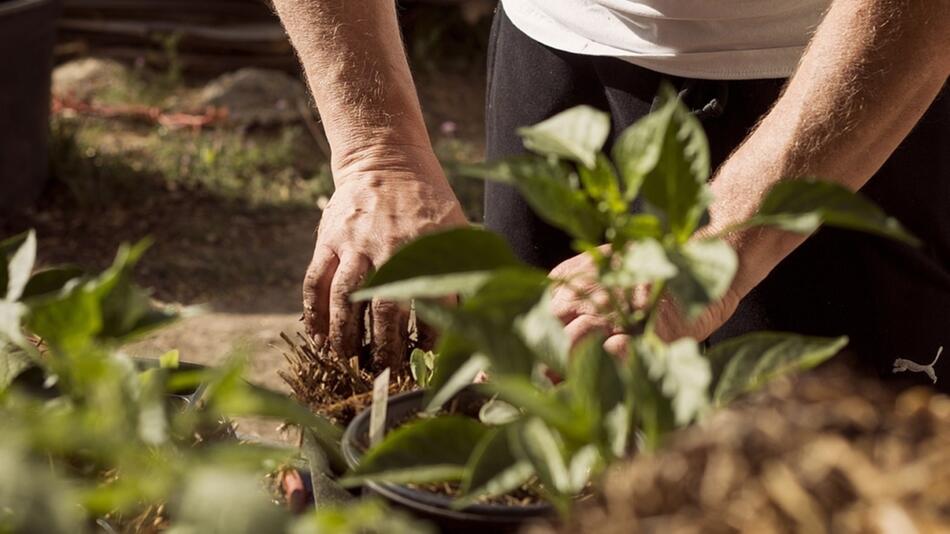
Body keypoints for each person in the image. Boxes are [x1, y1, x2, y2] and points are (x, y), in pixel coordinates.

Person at [272, 0, 949, 385]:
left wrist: (717, 243)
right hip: (554, 59)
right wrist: (378, 152)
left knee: (808, 490)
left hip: (845, 90)